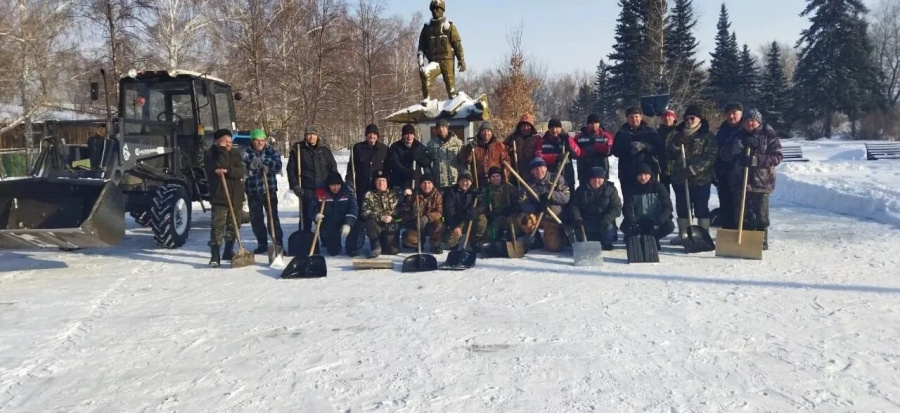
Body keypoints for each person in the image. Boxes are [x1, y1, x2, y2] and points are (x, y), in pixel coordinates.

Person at [723, 109, 783, 250]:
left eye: (753, 121)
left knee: (761, 216)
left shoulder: (769, 136)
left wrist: (755, 160)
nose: (750, 123)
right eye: (747, 120)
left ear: (759, 122)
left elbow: (777, 156)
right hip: (740, 182)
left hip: (761, 182)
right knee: (742, 216)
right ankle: (745, 241)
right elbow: (725, 154)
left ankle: (761, 241)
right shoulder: (737, 136)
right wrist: (740, 145)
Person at [666, 105, 717, 246]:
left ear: (699, 119)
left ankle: (703, 235)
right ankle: (684, 235)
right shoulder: (678, 134)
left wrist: (693, 169)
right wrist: (677, 144)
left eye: (692, 117)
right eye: (687, 118)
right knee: (682, 208)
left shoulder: (707, 136)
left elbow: (710, 157)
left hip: (701, 180)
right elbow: (669, 153)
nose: (689, 120)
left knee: (701, 208)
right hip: (680, 179)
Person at [205, 129, 246, 267]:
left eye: (230, 141)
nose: (228, 144)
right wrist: (222, 151)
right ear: (218, 141)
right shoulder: (211, 154)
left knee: (234, 225)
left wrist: (228, 171)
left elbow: (240, 171)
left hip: (236, 196)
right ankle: (215, 256)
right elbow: (220, 164)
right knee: (218, 227)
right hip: (220, 196)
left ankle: (228, 251)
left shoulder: (235, 153)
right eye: (225, 142)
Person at [287, 125, 338, 232]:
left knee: (324, 217)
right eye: (309, 134)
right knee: (306, 217)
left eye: (314, 134)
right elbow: (291, 170)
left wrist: (333, 184)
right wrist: (295, 185)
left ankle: (327, 240)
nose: (311, 137)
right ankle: (306, 241)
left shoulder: (324, 150)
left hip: (323, 189)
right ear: (305, 136)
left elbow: (332, 168)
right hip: (306, 189)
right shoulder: (298, 149)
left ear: (317, 135)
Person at [241, 128, 284, 254]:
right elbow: (241, 171)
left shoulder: (271, 150)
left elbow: (278, 165)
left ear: (265, 141)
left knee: (273, 218)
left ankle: (278, 243)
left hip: (269, 190)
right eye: (257, 140)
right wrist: (251, 167)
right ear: (252, 141)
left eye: (262, 140)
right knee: (256, 219)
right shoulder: (246, 153)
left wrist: (266, 164)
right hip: (253, 191)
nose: (260, 143)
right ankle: (262, 243)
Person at [518, 158, 571, 252]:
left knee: (554, 247)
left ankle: (558, 235)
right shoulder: (528, 184)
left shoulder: (557, 178)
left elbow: (566, 197)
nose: (539, 171)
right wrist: (535, 208)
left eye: (541, 167)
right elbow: (522, 202)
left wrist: (550, 196)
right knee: (523, 219)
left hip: (553, 217)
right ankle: (536, 238)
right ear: (532, 171)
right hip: (537, 216)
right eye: (535, 169)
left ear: (546, 168)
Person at [417, 0, 466, 100]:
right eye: (433, 9)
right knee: (425, 73)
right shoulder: (427, 29)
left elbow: (457, 45)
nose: (435, 11)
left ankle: (455, 104)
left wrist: (461, 60)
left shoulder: (449, 27)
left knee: (451, 89)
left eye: (437, 9)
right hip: (435, 62)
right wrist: (420, 58)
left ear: (442, 10)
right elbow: (421, 46)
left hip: (447, 62)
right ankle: (427, 102)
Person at [613, 106, 663, 200]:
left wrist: (644, 146)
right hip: (627, 172)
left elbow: (658, 148)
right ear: (627, 118)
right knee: (629, 200)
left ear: (640, 117)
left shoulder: (650, 132)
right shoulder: (621, 133)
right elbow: (615, 151)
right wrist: (629, 146)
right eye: (631, 117)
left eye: (636, 116)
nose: (634, 119)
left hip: (646, 173)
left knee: (648, 200)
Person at [621, 163, 675, 248]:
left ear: (650, 175)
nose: (643, 177)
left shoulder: (659, 187)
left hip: (655, 221)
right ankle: (635, 237)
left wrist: (659, 221)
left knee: (669, 225)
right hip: (638, 221)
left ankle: (654, 238)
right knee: (625, 226)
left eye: (645, 174)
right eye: (640, 175)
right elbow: (627, 208)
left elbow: (668, 207)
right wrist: (633, 222)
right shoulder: (631, 188)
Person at [568, 167, 622, 250]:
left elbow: (616, 208)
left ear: (604, 179)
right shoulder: (581, 190)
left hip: (604, 221)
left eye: (599, 178)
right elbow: (574, 206)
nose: (596, 181)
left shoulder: (611, 190)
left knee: (609, 228)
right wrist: (578, 219)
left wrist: (606, 219)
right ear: (589, 179)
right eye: (593, 178)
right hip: (586, 221)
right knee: (575, 229)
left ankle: (607, 243)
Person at [309, 171, 358, 256]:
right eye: (332, 186)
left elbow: (353, 209)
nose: (335, 188)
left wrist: (348, 224)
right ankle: (328, 242)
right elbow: (311, 208)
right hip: (329, 223)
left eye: (338, 185)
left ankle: (351, 247)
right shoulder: (320, 192)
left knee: (356, 225)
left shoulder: (348, 192)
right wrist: (316, 215)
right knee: (333, 251)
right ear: (328, 185)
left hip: (344, 219)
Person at [715, 102, 744, 229]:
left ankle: (743, 232)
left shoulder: (747, 128)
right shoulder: (722, 131)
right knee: (726, 206)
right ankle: (727, 231)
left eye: (734, 113)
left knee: (742, 206)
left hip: (743, 175)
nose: (731, 116)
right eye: (729, 114)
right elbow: (716, 152)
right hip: (725, 174)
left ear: (741, 114)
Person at [346, 123, 389, 207]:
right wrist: (349, 180)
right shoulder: (358, 148)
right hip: (361, 185)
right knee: (361, 207)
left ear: (377, 135)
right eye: (369, 133)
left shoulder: (384, 149)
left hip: (377, 186)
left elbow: (387, 167)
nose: (372, 136)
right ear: (366, 135)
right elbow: (351, 166)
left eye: (374, 134)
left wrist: (386, 182)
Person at [568, 113, 614, 187]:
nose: (594, 125)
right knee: (584, 194)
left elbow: (610, 150)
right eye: (591, 123)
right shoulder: (579, 136)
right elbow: (575, 152)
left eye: (596, 123)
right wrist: (585, 151)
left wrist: (596, 147)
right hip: (584, 169)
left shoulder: (605, 135)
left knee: (602, 193)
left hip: (601, 169)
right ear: (587, 124)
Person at [442, 170, 486, 249]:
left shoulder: (475, 192)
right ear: (458, 181)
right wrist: (454, 226)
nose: (465, 183)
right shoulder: (451, 192)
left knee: (482, 219)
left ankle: (474, 240)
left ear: (471, 182)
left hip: (469, 220)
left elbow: (482, 205)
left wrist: (476, 211)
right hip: (457, 220)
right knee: (449, 241)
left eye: (467, 181)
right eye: (462, 180)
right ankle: (456, 241)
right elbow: (449, 211)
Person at [401, 174, 444, 253]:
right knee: (409, 240)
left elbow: (439, 211)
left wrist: (427, 217)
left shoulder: (438, 195)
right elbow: (405, 211)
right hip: (416, 223)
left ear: (432, 184)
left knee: (439, 224)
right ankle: (418, 243)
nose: (426, 185)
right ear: (420, 184)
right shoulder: (414, 194)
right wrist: (412, 214)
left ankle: (435, 245)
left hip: (431, 223)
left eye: (429, 183)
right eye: (424, 183)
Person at [362, 170, 401, 258]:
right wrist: (380, 217)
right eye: (378, 181)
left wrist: (392, 218)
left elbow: (401, 210)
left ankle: (387, 242)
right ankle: (376, 245)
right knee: (369, 221)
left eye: (383, 181)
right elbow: (365, 212)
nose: (381, 183)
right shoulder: (369, 194)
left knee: (392, 251)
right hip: (377, 225)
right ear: (374, 183)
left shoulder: (395, 193)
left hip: (391, 225)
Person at [534, 118, 576, 188]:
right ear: (549, 129)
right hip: (550, 173)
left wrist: (568, 144)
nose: (554, 130)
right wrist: (555, 157)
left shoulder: (567, 139)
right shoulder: (542, 141)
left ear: (560, 128)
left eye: (557, 127)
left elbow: (576, 154)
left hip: (566, 173)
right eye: (552, 128)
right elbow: (538, 156)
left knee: (568, 194)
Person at [387, 123, 429, 190]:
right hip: (399, 181)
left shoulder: (419, 146)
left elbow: (426, 162)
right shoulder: (396, 146)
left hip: (416, 181)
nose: (409, 136)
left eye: (411, 134)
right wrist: (406, 172)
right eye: (406, 134)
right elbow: (394, 162)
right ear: (403, 135)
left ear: (414, 135)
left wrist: (419, 158)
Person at [481, 166, 519, 241]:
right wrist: (488, 215)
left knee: (514, 231)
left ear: (501, 176)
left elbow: (518, 201)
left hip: (509, 216)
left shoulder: (509, 187)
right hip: (495, 218)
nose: (496, 178)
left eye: (498, 176)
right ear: (489, 178)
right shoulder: (485, 190)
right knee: (489, 237)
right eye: (493, 176)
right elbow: (482, 205)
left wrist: (513, 208)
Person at [425, 119, 463, 188]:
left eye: (443, 127)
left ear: (447, 128)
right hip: (438, 182)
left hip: (454, 182)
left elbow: (463, 162)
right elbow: (426, 162)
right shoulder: (431, 144)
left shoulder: (458, 143)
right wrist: (429, 175)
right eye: (438, 127)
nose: (441, 129)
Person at [657, 109, 678, 192]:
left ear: (673, 118)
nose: (667, 118)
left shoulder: (679, 132)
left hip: (677, 169)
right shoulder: (657, 133)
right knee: (664, 194)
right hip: (662, 168)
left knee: (681, 194)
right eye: (665, 117)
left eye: (669, 116)